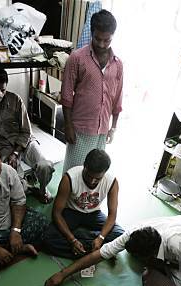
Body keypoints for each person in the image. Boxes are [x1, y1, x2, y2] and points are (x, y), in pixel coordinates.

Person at [44, 215, 181, 286]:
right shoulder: (134, 233)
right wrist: (63, 274)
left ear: (151, 255)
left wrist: (167, 266)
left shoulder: (176, 246)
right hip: (179, 224)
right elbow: (100, 254)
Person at [0, 69, 55, 204]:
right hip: (2, 147)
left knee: (45, 166)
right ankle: (28, 185)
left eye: (3, 90)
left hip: (25, 142)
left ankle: (42, 189)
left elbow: (26, 131)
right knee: (12, 182)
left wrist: (16, 153)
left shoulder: (16, 100)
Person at [60, 9, 123, 172]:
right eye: (97, 39)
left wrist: (113, 127)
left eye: (106, 40)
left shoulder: (117, 64)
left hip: (102, 130)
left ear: (112, 36)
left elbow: (117, 98)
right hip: (80, 129)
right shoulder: (77, 58)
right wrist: (68, 126)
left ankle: (85, 199)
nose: (101, 44)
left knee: (93, 173)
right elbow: (66, 95)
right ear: (91, 33)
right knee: (74, 172)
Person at [42, 149, 124, 259]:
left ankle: (83, 247)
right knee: (47, 238)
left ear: (105, 173)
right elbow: (56, 213)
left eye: (98, 179)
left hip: (94, 213)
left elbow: (112, 215)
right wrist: (72, 240)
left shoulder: (112, 182)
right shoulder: (69, 178)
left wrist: (101, 237)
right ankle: (93, 250)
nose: (92, 181)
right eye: (89, 176)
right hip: (72, 212)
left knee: (120, 235)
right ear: (84, 166)